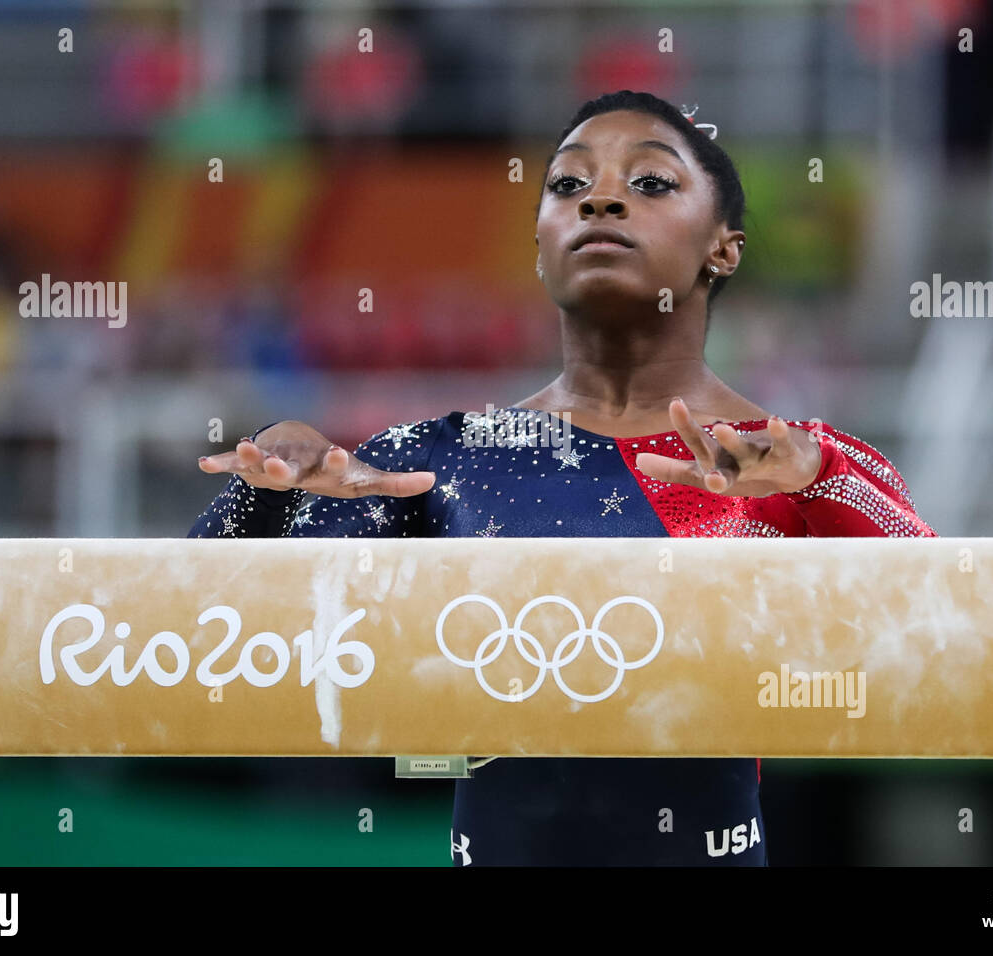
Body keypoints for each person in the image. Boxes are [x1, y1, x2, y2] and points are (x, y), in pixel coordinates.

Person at [189, 90, 937, 865]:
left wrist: (820, 481)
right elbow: (192, 636)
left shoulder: (797, 462)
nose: (601, 198)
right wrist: (267, 492)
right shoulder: (438, 458)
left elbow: (952, 626)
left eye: (651, 183)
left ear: (724, 247)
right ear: (541, 242)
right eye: (568, 186)